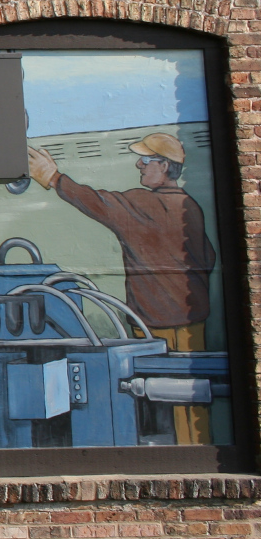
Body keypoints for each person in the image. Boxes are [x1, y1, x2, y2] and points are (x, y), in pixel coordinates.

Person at [26, 132, 215, 445]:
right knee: (191, 402)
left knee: (155, 402)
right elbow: (208, 257)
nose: (139, 164)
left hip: (154, 325)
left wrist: (54, 178)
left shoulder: (144, 204)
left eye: (146, 159)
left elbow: (98, 203)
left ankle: (171, 456)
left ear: (165, 166)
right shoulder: (189, 206)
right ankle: (197, 449)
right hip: (192, 320)